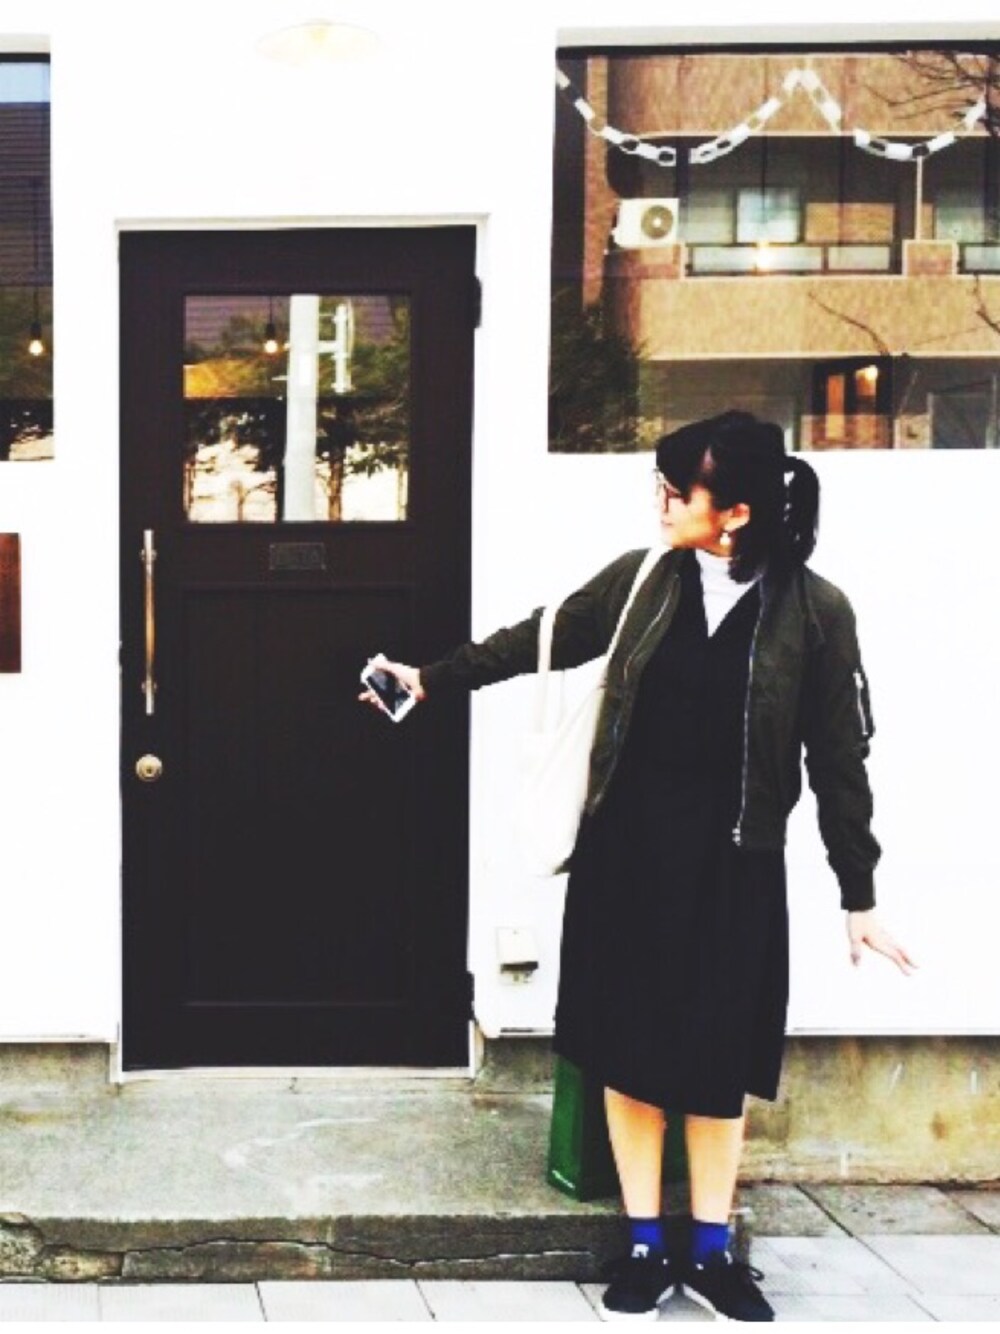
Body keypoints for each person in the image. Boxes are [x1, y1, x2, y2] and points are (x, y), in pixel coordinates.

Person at [360, 411, 915, 1323]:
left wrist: (860, 893)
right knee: (629, 1054)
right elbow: (541, 637)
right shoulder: (642, 582)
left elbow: (838, 758)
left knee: (718, 1064)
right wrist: (430, 677)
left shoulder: (816, 612)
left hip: (735, 868)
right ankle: (647, 1243)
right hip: (627, 861)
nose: (660, 503)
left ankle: (712, 1250)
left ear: (733, 512)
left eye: (675, 490)